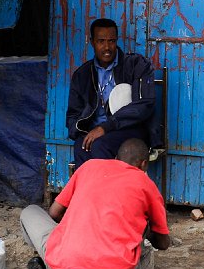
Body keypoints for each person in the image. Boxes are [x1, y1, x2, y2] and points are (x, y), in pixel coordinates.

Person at [20, 138, 170, 269]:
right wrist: (148, 230)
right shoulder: (146, 184)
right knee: (140, 223)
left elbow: (54, 213)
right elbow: (163, 243)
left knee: (30, 211)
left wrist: (79, 222)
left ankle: (49, 268)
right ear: (144, 164)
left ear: (115, 158)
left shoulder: (89, 166)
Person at [66, 17, 157, 169]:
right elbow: (73, 115)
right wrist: (82, 131)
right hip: (97, 131)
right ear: (92, 42)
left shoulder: (136, 65)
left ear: (117, 41)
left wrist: (106, 127)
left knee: (99, 145)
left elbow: (144, 105)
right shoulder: (82, 75)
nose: (107, 47)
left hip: (130, 129)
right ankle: (88, 193)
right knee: (81, 146)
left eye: (111, 41)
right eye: (101, 41)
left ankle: (108, 192)